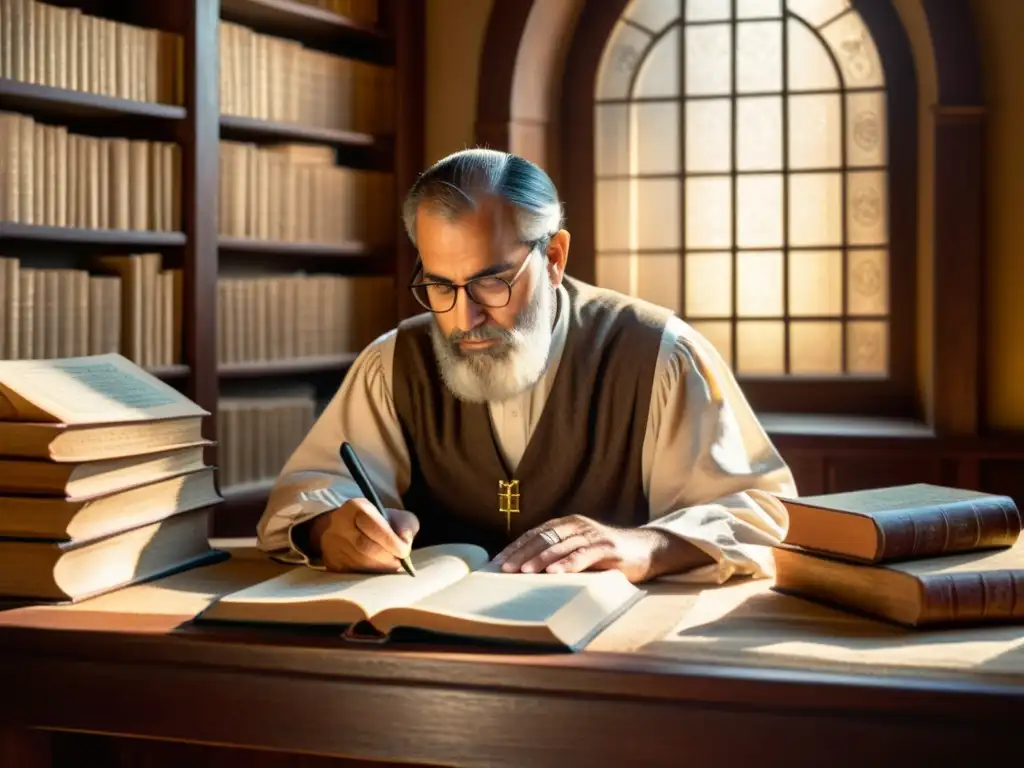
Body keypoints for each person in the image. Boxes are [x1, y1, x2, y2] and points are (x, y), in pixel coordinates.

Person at [257, 148, 796, 585]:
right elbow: (307, 493)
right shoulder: (393, 363)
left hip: (613, 661)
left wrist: (644, 544)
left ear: (555, 258)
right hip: (429, 657)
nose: (464, 316)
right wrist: (332, 530)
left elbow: (762, 512)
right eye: (441, 285)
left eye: (492, 280)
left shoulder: (660, 354)